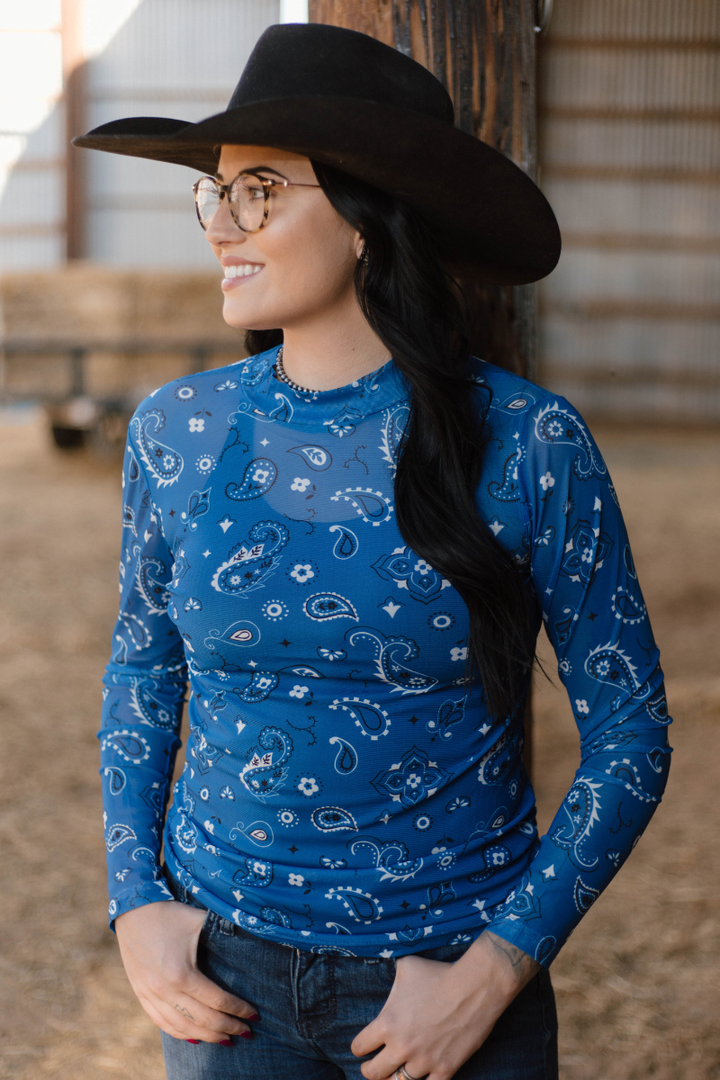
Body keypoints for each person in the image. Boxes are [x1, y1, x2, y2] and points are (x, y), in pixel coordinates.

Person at [75, 23, 672, 1080]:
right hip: (221, 991)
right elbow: (142, 669)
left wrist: (497, 968)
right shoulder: (178, 431)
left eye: (261, 190)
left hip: (445, 998)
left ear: (363, 220)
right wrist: (136, 903)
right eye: (217, 193)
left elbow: (629, 732)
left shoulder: (531, 444)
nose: (223, 225)